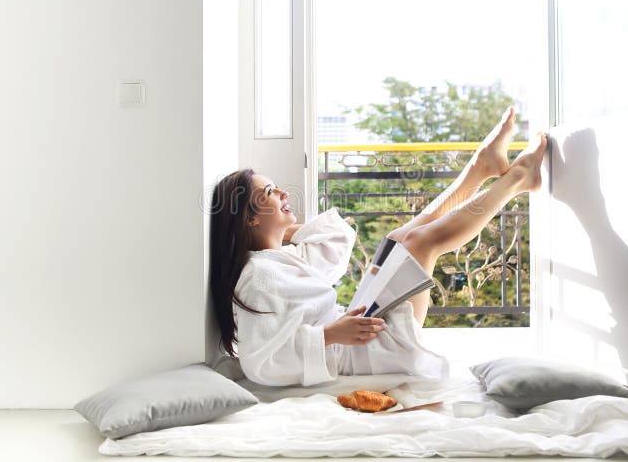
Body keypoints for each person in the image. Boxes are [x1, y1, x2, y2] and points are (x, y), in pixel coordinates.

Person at [208, 107, 547, 386]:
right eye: (269, 193)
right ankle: (516, 180)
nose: (283, 194)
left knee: (398, 240)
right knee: (420, 244)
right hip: (362, 351)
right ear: (248, 218)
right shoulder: (257, 278)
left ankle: (479, 169)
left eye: (277, 188)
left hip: (357, 324)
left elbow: (337, 239)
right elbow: (260, 362)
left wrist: (279, 230)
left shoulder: (281, 257)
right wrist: (328, 335)